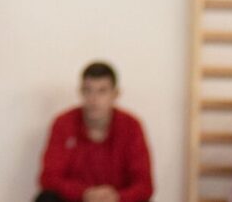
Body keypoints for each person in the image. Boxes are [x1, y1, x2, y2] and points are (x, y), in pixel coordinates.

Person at [36, 62, 154, 202]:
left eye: (102, 91)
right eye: (88, 90)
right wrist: (85, 194)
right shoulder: (63, 123)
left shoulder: (131, 126)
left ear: (115, 94)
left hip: (116, 200)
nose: (94, 99)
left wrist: (117, 197)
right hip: (77, 199)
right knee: (46, 198)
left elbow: (144, 185)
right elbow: (48, 178)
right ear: (81, 92)